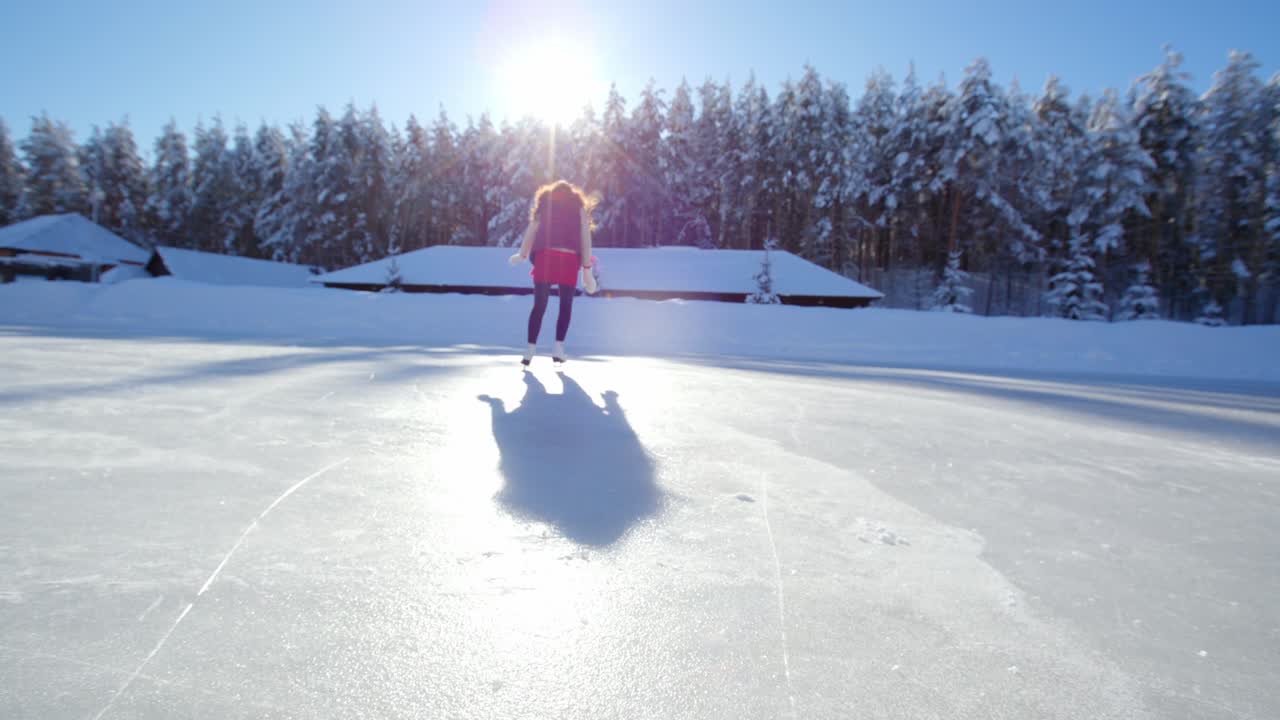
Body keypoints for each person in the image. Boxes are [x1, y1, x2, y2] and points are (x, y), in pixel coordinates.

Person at [508, 180, 597, 365]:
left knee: (539, 305)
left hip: (545, 258)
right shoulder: (578, 207)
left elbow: (532, 229)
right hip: (569, 259)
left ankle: (530, 349)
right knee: (566, 306)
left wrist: (522, 254)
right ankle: (558, 348)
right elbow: (585, 237)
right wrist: (587, 269)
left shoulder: (544, 205)